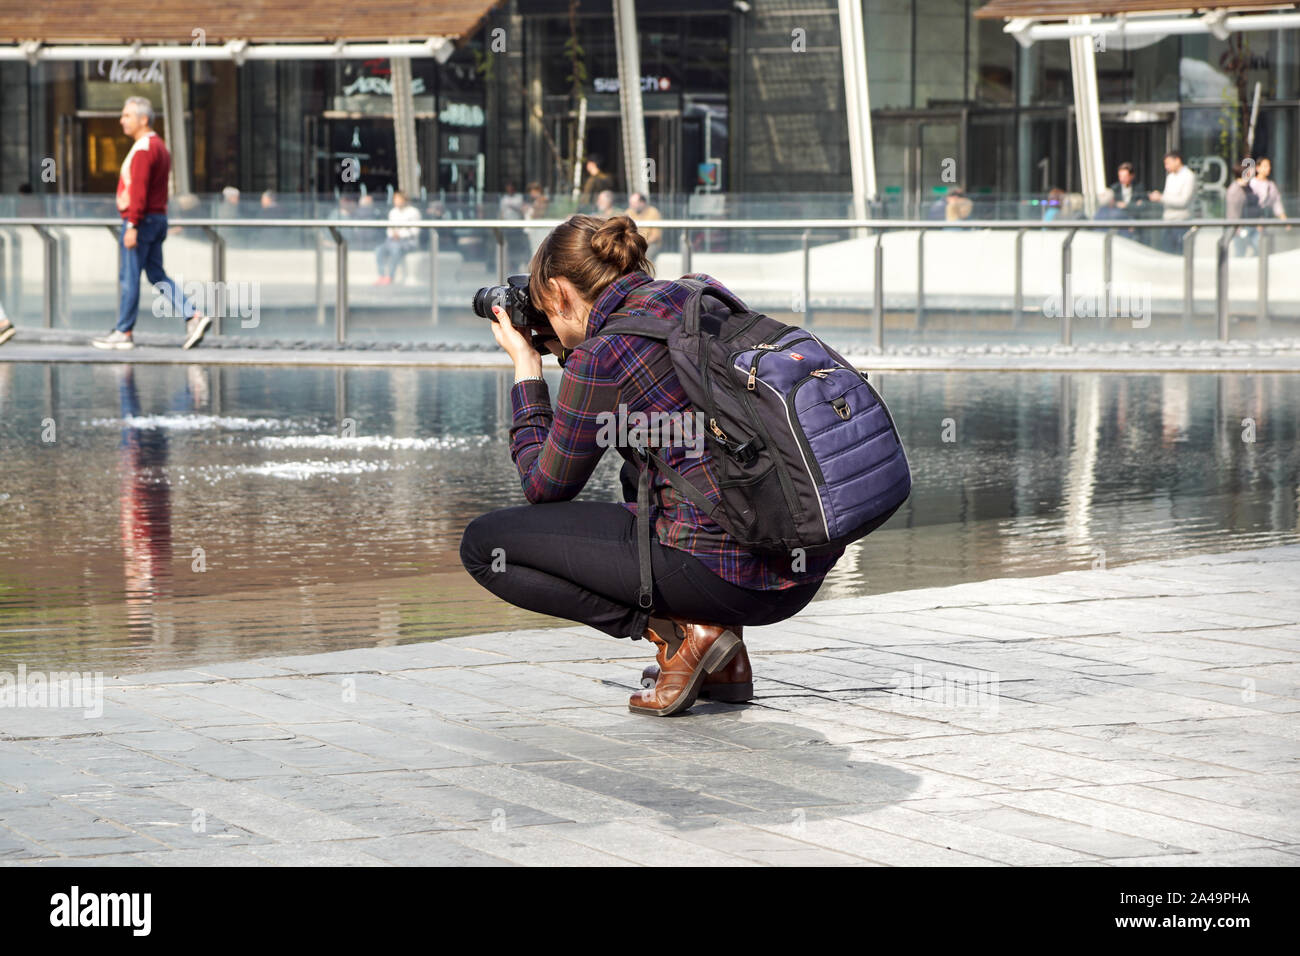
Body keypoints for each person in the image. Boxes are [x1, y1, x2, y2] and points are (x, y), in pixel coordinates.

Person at [459, 215, 842, 717]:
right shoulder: (702, 296)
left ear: (556, 291)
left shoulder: (604, 354)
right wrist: (566, 350)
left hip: (721, 579)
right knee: (645, 462)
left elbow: (544, 486)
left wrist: (527, 368)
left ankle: (684, 634)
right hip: (800, 571)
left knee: (486, 548)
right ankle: (725, 662)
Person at [92, 97, 209, 351]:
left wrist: (132, 224)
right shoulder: (159, 146)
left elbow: (139, 191)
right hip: (157, 218)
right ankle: (192, 315)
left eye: (127, 116)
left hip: (141, 221)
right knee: (156, 274)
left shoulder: (144, 149)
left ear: (143, 119)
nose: (122, 120)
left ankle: (124, 331)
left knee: (129, 276)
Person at [1149, 150, 1197, 253]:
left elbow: (1184, 201)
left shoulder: (1189, 176)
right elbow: (1168, 197)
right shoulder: (1170, 177)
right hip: (1167, 222)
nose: (1166, 167)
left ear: (1177, 161)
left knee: (1180, 253)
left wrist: (1161, 198)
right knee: (1167, 253)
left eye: (1168, 163)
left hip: (1181, 223)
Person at [373, 190, 421, 285]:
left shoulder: (414, 212)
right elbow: (389, 228)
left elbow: (416, 230)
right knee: (379, 250)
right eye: (395, 199)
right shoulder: (393, 212)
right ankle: (381, 276)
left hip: (408, 242)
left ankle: (390, 276)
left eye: (398, 199)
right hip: (392, 241)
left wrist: (400, 235)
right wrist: (393, 235)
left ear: (404, 200)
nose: (396, 201)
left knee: (395, 249)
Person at [624, 191, 663, 259]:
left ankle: (646, 269)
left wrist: (641, 243)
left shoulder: (653, 212)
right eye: (631, 203)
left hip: (650, 244)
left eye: (634, 203)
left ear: (642, 203)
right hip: (633, 243)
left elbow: (656, 236)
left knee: (645, 256)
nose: (631, 206)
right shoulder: (629, 212)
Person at [1251, 156, 1288, 221]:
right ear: (1257, 168)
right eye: (1265, 166)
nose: (1268, 168)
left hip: (1268, 221)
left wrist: (1285, 220)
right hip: (1254, 222)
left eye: (1269, 166)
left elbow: (1277, 203)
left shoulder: (1271, 185)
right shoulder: (1252, 184)